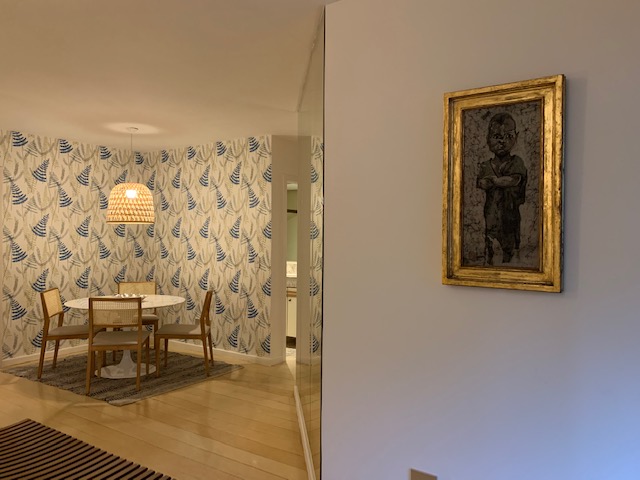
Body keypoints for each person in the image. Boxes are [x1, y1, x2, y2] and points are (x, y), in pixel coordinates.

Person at [476, 112, 527, 265]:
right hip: (491, 216)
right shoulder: (485, 165)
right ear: (488, 138)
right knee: (490, 246)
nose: (503, 141)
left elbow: (514, 179)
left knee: (509, 250)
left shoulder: (516, 162)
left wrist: (495, 181)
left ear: (516, 137)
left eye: (508, 136)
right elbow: (482, 183)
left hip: (510, 217)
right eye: (497, 137)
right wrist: (490, 182)